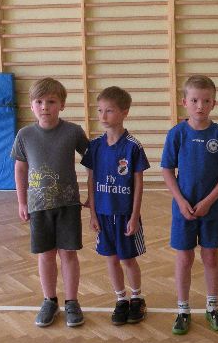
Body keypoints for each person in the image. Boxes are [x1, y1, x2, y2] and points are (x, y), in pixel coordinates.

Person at [11, 77, 89, 328]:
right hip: (39, 206)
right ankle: (49, 300)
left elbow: (92, 162)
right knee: (46, 255)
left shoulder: (73, 132)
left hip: (68, 205)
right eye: (39, 101)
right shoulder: (25, 135)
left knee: (68, 254)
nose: (45, 106)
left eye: (51, 101)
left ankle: (72, 301)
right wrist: (22, 202)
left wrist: (93, 195)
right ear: (31, 105)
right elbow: (20, 169)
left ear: (62, 105)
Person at [161, 75, 218, 334]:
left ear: (214, 103)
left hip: (211, 209)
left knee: (210, 256)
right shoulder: (177, 134)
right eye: (194, 100)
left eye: (206, 101)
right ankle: (183, 310)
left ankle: (212, 306)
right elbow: (167, 170)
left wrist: (207, 201)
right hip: (183, 210)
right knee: (184, 258)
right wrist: (181, 201)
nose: (200, 106)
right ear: (184, 102)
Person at [81, 87, 150, 326]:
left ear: (124, 112)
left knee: (128, 259)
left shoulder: (133, 146)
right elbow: (90, 180)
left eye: (109, 111)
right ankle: (120, 299)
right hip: (103, 213)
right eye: (100, 110)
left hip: (124, 214)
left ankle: (136, 298)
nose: (103, 116)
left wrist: (134, 216)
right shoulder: (94, 146)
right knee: (110, 258)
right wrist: (93, 213)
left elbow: (139, 184)